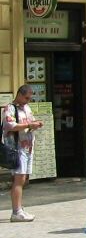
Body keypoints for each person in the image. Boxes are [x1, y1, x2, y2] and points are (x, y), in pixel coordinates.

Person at [3, 84, 44, 222]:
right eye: (26, 98)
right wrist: (28, 125)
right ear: (20, 95)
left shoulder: (26, 108)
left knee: (23, 179)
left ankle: (19, 207)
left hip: (28, 148)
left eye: (30, 98)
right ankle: (16, 212)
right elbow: (10, 125)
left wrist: (35, 124)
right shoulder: (10, 108)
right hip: (17, 148)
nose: (28, 100)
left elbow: (29, 122)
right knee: (18, 179)